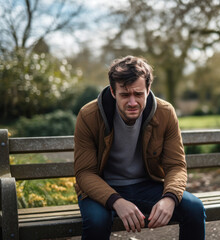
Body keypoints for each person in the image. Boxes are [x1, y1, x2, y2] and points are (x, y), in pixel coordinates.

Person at [74, 56, 206, 240]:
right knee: (97, 221)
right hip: (102, 187)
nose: (132, 102)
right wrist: (116, 201)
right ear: (113, 91)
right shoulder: (89, 115)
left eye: (138, 94)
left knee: (194, 209)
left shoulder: (165, 112)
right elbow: (84, 173)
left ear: (148, 89)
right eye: (125, 95)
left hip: (146, 185)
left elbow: (176, 165)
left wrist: (170, 197)